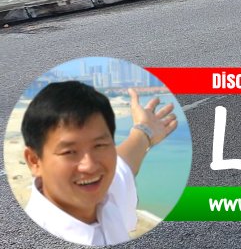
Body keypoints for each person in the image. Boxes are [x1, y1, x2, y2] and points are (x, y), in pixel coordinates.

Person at [21, 81, 178, 246]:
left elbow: (124, 164)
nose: (89, 166)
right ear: (34, 161)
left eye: (99, 145)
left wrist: (145, 130)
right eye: (69, 152)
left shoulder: (105, 195)